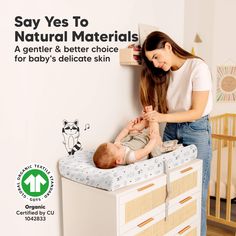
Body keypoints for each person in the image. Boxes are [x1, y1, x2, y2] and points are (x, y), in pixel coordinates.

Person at [140, 31, 212, 236]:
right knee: (170, 188)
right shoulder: (165, 74)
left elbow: (197, 111)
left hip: (196, 129)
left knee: (197, 191)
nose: (154, 63)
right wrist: (146, 122)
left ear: (168, 47)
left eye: (156, 56)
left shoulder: (198, 67)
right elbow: (157, 108)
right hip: (172, 128)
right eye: (150, 60)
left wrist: (160, 119)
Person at [93, 106, 179, 169]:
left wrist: (127, 128)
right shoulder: (130, 157)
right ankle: (152, 119)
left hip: (138, 138)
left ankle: (145, 122)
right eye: (116, 147)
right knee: (155, 133)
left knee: (132, 130)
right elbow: (146, 150)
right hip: (150, 145)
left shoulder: (117, 150)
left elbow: (118, 139)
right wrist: (152, 139)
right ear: (119, 161)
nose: (117, 144)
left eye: (113, 144)